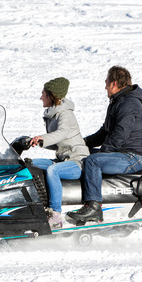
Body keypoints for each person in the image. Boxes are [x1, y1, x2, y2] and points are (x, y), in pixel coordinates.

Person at [67, 66, 142, 223]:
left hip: (132, 157)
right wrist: (81, 143)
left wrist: (102, 153)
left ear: (114, 84)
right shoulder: (118, 102)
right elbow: (105, 132)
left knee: (93, 161)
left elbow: (120, 135)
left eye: (106, 82)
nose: (105, 85)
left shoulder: (129, 104)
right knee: (87, 154)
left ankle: (94, 207)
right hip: (123, 153)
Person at [29, 77, 90, 228]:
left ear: (51, 96)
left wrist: (43, 138)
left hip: (77, 162)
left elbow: (62, 133)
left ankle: (55, 215)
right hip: (63, 159)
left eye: (43, 94)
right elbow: (58, 142)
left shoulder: (65, 114)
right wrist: (38, 142)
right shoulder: (52, 114)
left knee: (52, 170)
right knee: (30, 164)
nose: (40, 97)